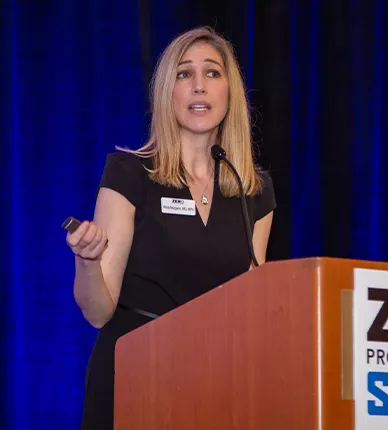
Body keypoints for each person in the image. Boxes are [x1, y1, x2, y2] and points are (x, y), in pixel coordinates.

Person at [65, 26, 276, 430]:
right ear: (167, 93)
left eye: (212, 73)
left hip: (216, 384)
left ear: (230, 92)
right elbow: (97, 312)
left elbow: (255, 309)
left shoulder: (254, 190)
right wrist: (88, 261)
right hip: (134, 374)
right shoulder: (130, 174)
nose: (199, 86)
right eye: (184, 74)